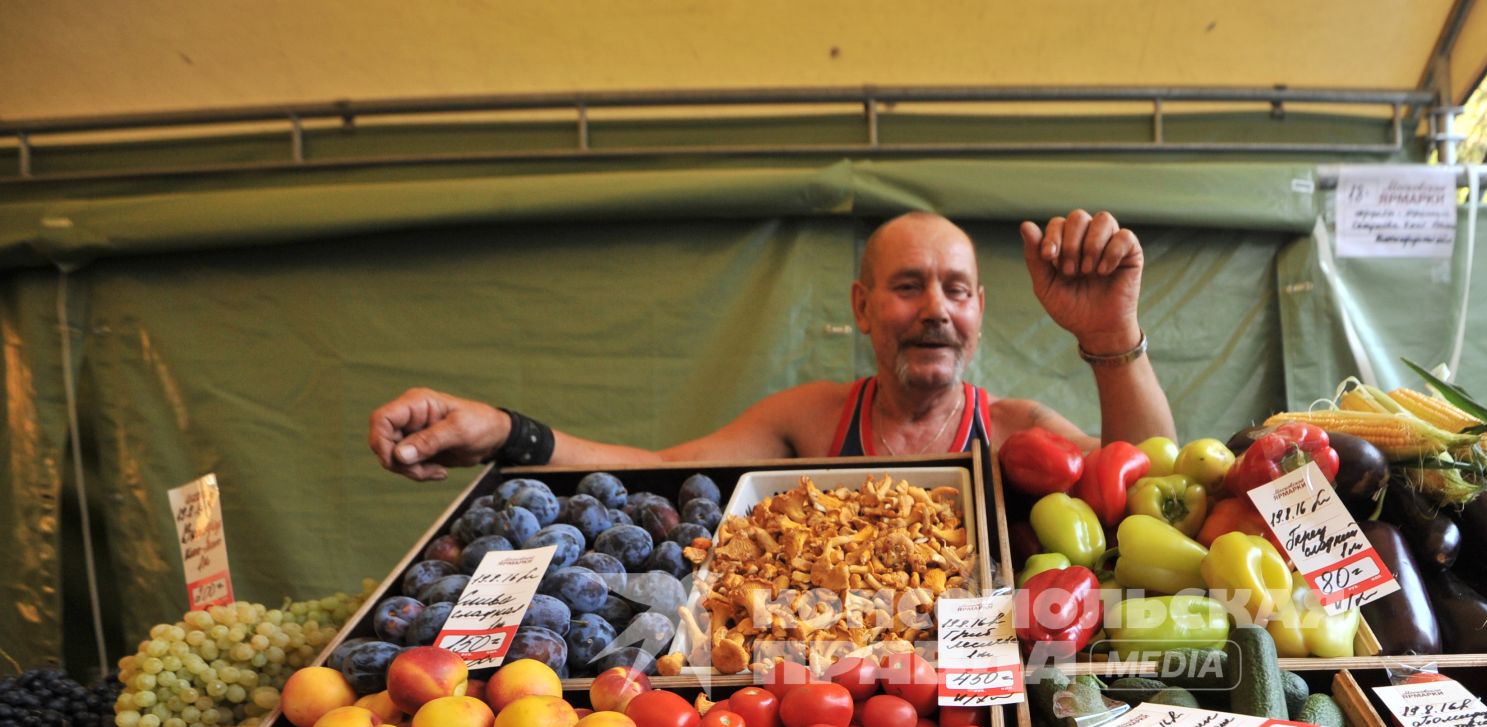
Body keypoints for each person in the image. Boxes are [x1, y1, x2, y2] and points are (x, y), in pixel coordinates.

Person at [368, 210, 1174, 478]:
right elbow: (660, 471)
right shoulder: (813, 420)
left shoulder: (1011, 431)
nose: (936, 309)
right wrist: (509, 432)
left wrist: (1110, 334)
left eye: (956, 290)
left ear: (979, 312)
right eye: (907, 286)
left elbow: (1148, 484)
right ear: (862, 308)